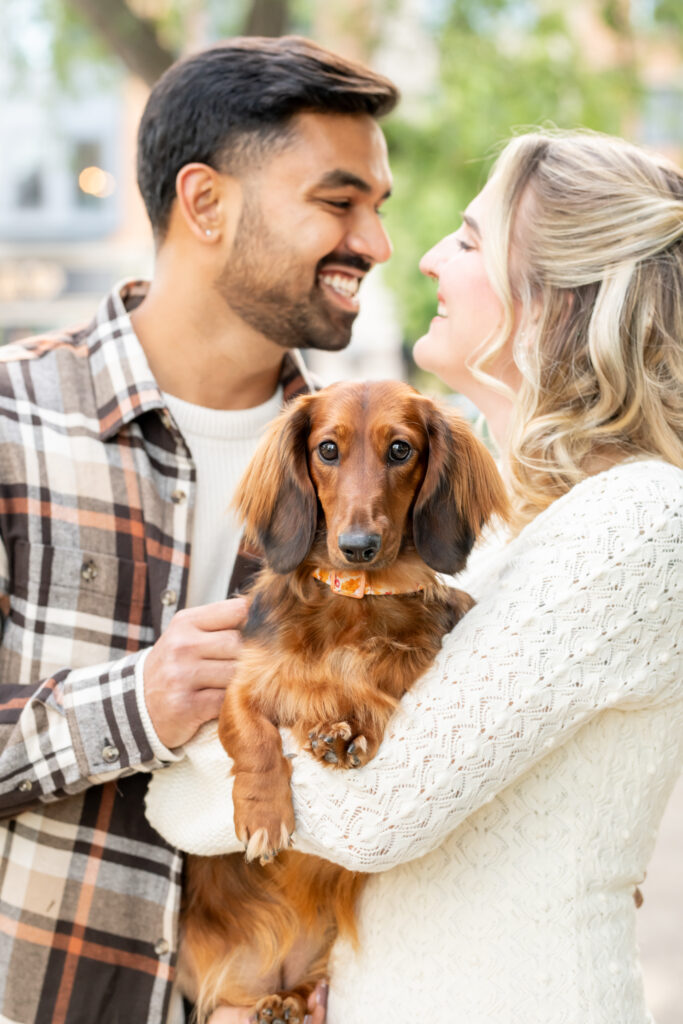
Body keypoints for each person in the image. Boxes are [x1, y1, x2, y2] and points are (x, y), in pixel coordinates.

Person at [146, 128, 683, 1023]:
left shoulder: (633, 519)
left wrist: (201, 726)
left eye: (468, 240)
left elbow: (369, 814)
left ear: (554, 293)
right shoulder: (500, 533)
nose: (426, 256)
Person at [0, 35, 398, 1024]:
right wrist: (138, 700)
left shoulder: (380, 476)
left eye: (378, 209)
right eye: (338, 202)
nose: (374, 243)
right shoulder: (14, 419)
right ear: (206, 202)